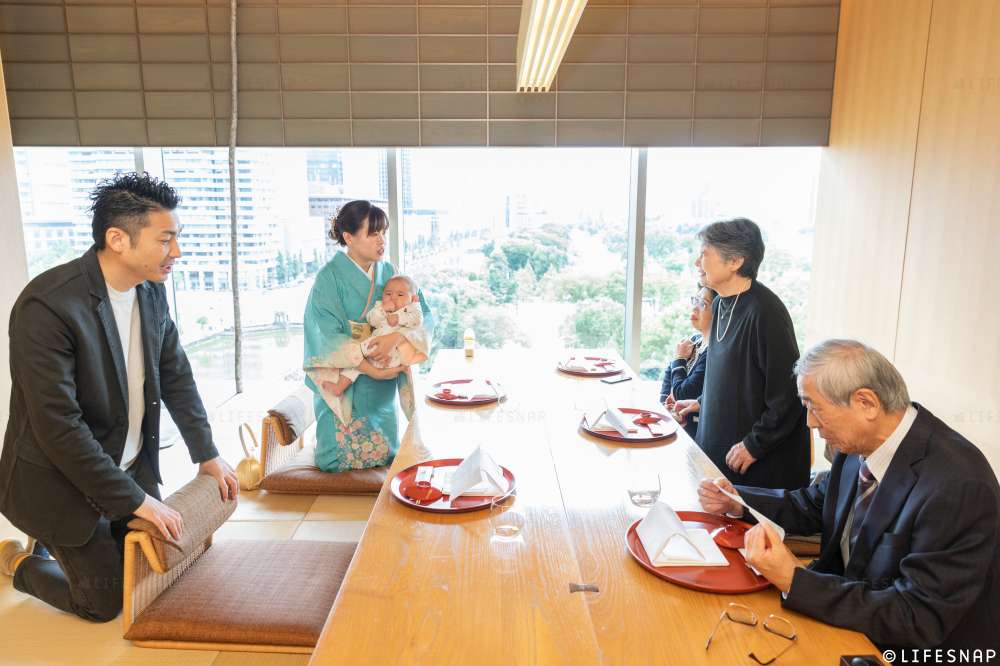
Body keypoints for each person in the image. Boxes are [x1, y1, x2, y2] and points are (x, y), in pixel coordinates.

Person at [0, 173, 238, 623]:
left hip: (125, 465)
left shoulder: (151, 293)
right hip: (60, 481)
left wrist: (207, 453)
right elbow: (58, 427)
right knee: (107, 602)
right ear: (118, 239)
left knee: (160, 560)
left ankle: (78, 540)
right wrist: (138, 502)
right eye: (166, 240)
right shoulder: (47, 306)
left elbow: (176, 375)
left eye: (178, 239)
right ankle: (21, 562)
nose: (178, 252)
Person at [697, 340, 1000, 653]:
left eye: (814, 407)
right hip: (845, 614)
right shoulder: (858, 445)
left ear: (866, 403)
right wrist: (738, 501)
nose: (810, 423)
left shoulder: (958, 485)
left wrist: (795, 580)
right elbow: (813, 504)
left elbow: (917, 616)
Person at [673, 218, 809, 489]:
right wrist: (703, 401)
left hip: (757, 470)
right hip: (717, 463)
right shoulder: (722, 303)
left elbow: (788, 397)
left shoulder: (766, 312)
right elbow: (735, 376)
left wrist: (753, 445)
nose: (697, 263)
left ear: (735, 261)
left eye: (704, 254)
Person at [303, 201, 433, 473]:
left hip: (384, 377)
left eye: (383, 232)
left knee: (386, 454)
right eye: (373, 233)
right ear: (348, 238)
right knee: (336, 462)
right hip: (349, 376)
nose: (381, 240)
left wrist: (395, 339)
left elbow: (423, 316)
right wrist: (368, 369)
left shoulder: (390, 273)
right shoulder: (329, 278)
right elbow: (323, 335)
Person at [325, 274, 426, 397]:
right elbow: (372, 320)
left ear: (414, 298)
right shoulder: (380, 307)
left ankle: (359, 354)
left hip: (394, 355)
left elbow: (418, 321)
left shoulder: (412, 309)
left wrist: (399, 318)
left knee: (356, 353)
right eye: (388, 294)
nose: (393, 298)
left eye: (400, 295)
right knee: (355, 367)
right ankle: (339, 387)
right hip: (374, 356)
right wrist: (383, 310)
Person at [661, 285, 715, 440]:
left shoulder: (714, 352)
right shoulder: (694, 341)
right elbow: (668, 375)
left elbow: (683, 393)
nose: (695, 308)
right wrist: (664, 408)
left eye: (703, 303)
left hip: (694, 435)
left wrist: (679, 359)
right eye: (695, 300)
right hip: (676, 425)